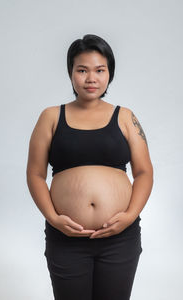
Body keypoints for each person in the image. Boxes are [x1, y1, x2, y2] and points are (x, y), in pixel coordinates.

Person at [26, 34, 154, 300]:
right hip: (66, 239)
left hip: (120, 239)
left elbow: (144, 172)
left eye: (99, 70)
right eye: (82, 70)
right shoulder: (51, 116)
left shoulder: (126, 117)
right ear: (71, 73)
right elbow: (35, 174)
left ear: (110, 74)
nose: (91, 78)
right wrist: (53, 218)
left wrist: (130, 215)